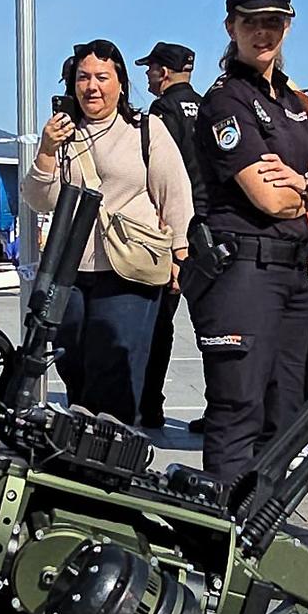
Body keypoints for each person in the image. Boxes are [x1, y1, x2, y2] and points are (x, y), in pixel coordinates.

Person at [187, 0, 308, 481]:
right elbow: (272, 199)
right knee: (238, 412)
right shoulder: (226, 101)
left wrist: (300, 184)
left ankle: (262, 531)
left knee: (289, 414)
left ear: (288, 25)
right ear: (231, 26)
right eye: (252, 22)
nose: (264, 33)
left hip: (294, 277)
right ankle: (223, 542)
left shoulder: (294, 106)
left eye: (274, 22)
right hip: (243, 276)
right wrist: (307, 187)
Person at [22, 38, 193, 422]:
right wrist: (47, 151)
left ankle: (110, 453)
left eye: (102, 76)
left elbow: (175, 193)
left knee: (114, 366)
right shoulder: (64, 135)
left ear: (120, 83)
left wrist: (181, 254)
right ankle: (77, 447)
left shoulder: (145, 130)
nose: (91, 86)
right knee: (73, 365)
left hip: (129, 269)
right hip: (72, 272)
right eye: (83, 77)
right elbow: (39, 199)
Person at [137, 41, 207, 430]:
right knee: (211, 325)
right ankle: (219, 406)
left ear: (164, 72)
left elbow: (161, 175)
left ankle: (150, 405)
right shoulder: (207, 105)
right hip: (210, 225)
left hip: (178, 228)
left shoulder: (162, 112)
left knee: (159, 323)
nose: (147, 75)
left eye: (151, 69)